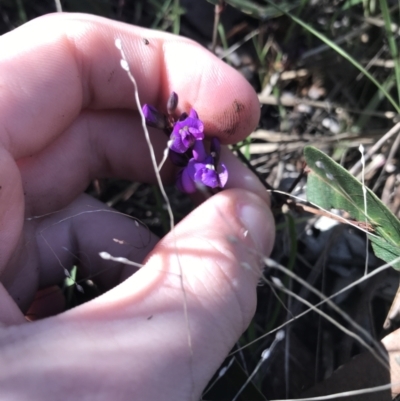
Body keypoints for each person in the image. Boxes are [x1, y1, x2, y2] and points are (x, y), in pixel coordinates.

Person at [0, 12, 275, 400]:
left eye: (189, 131)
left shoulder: (192, 145)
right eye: (188, 131)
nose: (190, 133)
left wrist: (192, 143)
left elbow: (192, 144)